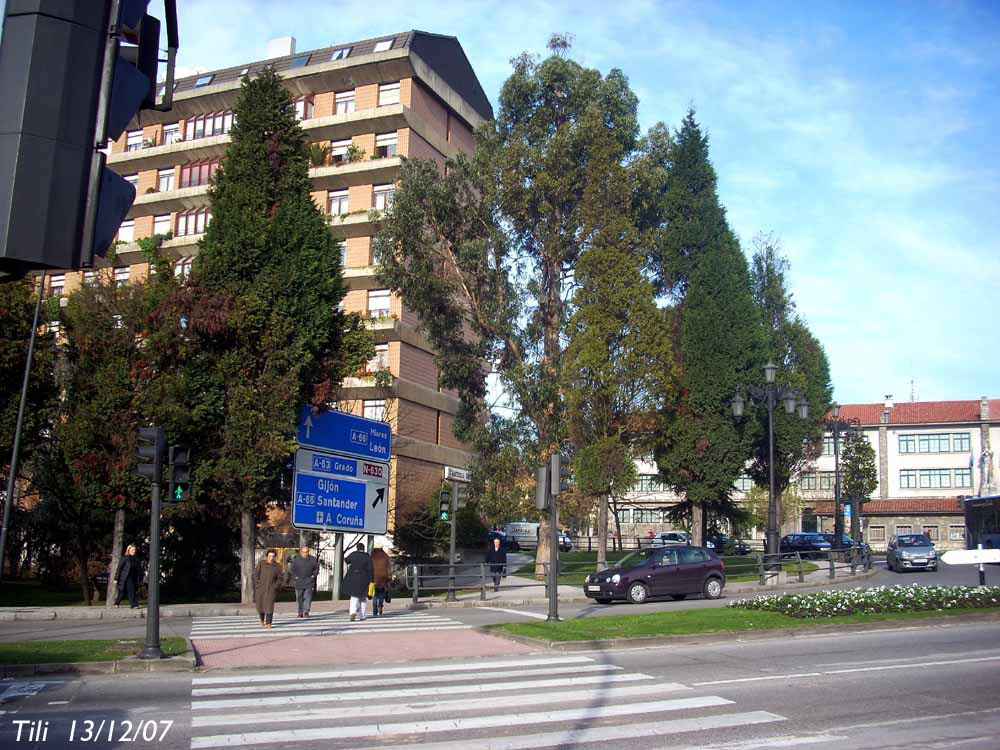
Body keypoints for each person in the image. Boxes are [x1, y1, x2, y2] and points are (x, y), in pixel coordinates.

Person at [344, 542, 374, 621]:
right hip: (364, 579)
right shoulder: (367, 556)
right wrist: (372, 580)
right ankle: (362, 615)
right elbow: (370, 569)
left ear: (357, 548)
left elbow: (346, 560)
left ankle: (353, 612)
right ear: (363, 549)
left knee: (354, 596)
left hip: (353, 578)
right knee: (363, 598)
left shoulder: (353, 554)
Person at [287, 545, 319, 618]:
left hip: (309, 581)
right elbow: (292, 570)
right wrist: (295, 577)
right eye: (304, 552)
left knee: (308, 597)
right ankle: (300, 612)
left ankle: (306, 611)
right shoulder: (296, 560)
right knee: (299, 597)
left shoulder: (312, 559)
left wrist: (313, 576)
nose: (305, 553)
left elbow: (316, 568)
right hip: (299, 581)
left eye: (307, 552)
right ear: (301, 552)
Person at [254, 549, 283, 628]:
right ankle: (262, 620)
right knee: (260, 605)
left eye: (273, 556)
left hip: (271, 589)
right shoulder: (261, 564)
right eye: (270, 556)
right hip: (261, 589)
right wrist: (258, 584)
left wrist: (275, 586)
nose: (271, 558)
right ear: (266, 556)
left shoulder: (277, 566)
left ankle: (269, 623)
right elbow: (256, 574)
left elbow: (280, 578)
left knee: (269, 606)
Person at [371, 546, 391, 617]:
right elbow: (388, 568)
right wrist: (389, 577)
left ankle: (374, 611)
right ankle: (380, 606)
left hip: (374, 579)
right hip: (383, 578)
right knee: (381, 595)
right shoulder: (385, 556)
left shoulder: (372, 556)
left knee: (374, 596)